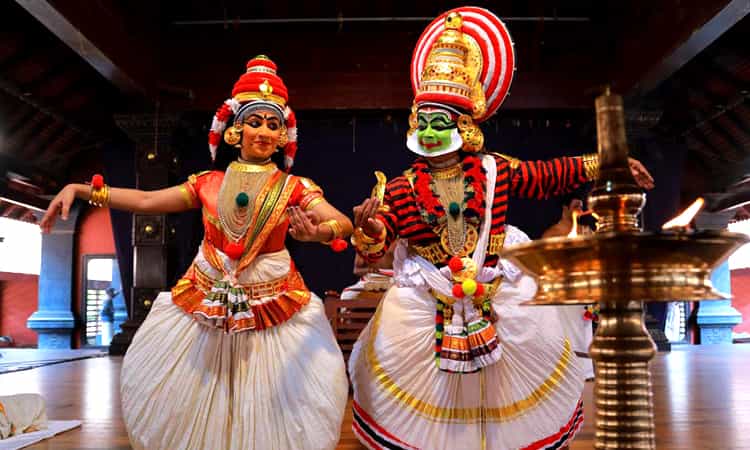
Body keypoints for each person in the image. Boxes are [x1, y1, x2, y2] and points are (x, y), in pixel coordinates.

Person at [348, 8, 655, 450]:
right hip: (429, 297)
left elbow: (548, 174)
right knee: (396, 347)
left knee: (538, 341)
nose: (431, 131)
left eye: (442, 122)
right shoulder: (401, 186)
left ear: (465, 126)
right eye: (424, 121)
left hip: (493, 292)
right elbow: (383, 237)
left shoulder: (495, 171)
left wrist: (606, 162)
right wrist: (372, 228)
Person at [40, 56, 352, 450]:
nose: (264, 131)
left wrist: (320, 232)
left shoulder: (294, 187)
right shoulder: (208, 183)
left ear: (283, 137)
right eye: (255, 122)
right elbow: (147, 200)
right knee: (204, 388)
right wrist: (85, 190)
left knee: (267, 392)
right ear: (234, 131)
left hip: (272, 301)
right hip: (209, 296)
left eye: (274, 125)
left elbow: (341, 223)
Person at [542, 192, 596, 381]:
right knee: (569, 328)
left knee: (585, 326)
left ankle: (586, 370)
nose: (580, 210)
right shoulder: (552, 233)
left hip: (584, 287)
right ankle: (571, 370)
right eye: (576, 206)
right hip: (562, 289)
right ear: (565, 208)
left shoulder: (586, 230)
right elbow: (545, 265)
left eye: (581, 206)